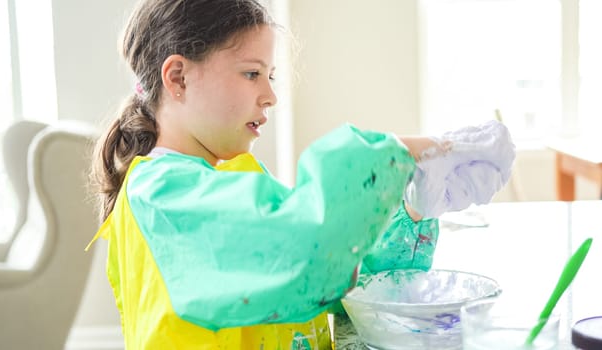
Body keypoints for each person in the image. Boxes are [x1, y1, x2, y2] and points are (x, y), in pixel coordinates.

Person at [87, 0, 515, 348]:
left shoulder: (226, 174)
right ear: (178, 77)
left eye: (269, 76)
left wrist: (410, 208)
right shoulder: (162, 194)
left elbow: (329, 283)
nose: (270, 95)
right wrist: (397, 154)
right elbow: (301, 251)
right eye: (252, 73)